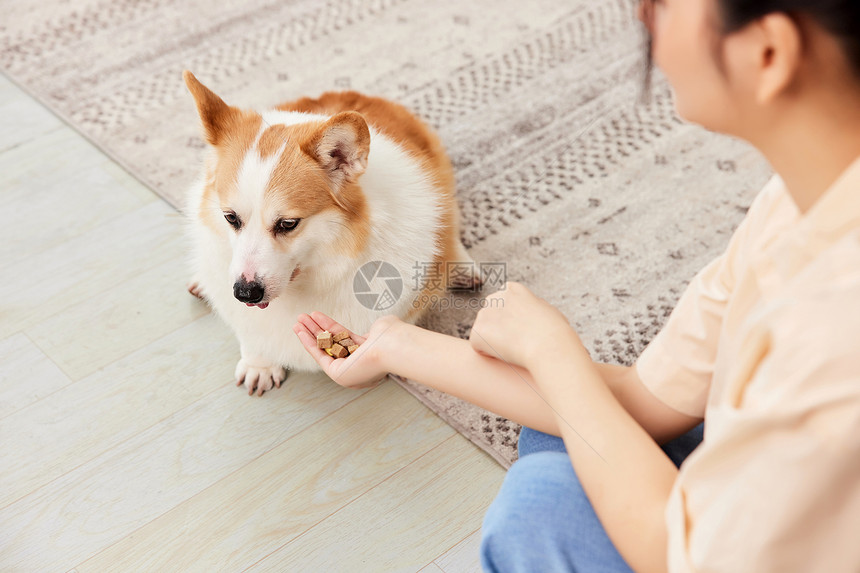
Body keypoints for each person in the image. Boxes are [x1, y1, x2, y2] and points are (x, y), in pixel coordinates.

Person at [293, 0, 860, 570]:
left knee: (541, 510)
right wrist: (396, 344)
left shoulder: (834, 325)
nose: (641, 16)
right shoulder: (800, 202)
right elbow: (648, 399)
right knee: (560, 431)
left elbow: (684, 557)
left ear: (767, 52)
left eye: (663, 4)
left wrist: (549, 350)